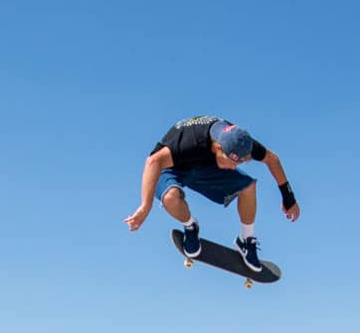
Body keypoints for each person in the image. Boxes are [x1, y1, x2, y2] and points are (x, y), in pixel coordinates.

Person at [124, 115, 299, 271]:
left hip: (204, 167)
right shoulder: (190, 142)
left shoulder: (239, 140)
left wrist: (288, 197)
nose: (233, 167)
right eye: (231, 162)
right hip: (170, 167)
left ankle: (246, 240)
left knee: (248, 186)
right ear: (217, 148)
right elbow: (153, 161)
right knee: (171, 198)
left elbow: (272, 159)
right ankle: (191, 227)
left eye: (237, 164)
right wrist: (145, 207)